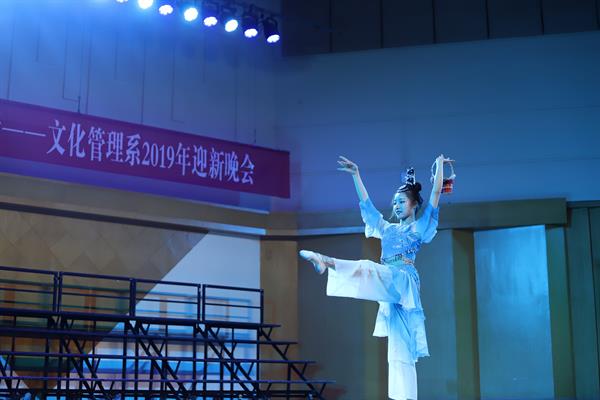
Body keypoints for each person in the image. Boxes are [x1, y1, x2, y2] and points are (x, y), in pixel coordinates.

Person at [299, 154, 451, 400]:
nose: (396, 206)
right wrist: (356, 176)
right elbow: (368, 207)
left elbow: (435, 194)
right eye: (394, 202)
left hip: (404, 280)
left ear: (414, 204)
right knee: (399, 349)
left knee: (367, 268)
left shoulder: (419, 227)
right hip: (388, 283)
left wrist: (440, 167)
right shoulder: (387, 229)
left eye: (401, 201)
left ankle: (326, 261)